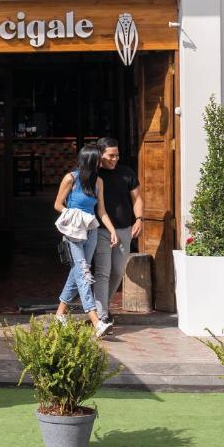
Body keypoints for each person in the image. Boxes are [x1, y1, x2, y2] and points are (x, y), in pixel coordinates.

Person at [54, 144, 118, 338]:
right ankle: (96, 321)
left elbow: (102, 211)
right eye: (99, 159)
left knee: (78, 271)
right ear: (91, 160)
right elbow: (58, 204)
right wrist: (72, 215)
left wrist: (112, 230)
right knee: (83, 273)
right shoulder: (70, 178)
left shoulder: (98, 181)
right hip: (74, 232)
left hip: (91, 232)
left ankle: (59, 314)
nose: (103, 161)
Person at [92, 137, 144, 324]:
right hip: (100, 230)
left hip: (124, 229)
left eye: (117, 155)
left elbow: (137, 199)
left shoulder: (126, 173)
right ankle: (102, 314)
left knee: (118, 271)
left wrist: (139, 219)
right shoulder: (93, 174)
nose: (115, 159)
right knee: (103, 272)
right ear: (100, 155)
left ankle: (100, 307)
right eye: (111, 156)